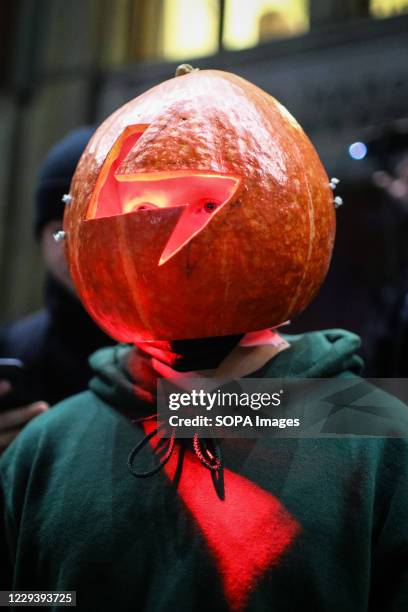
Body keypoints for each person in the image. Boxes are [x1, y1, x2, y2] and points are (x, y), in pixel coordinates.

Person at [1, 67, 407, 612]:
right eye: (142, 210)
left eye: (208, 205)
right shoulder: (44, 449)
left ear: (299, 206)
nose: (170, 238)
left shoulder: (383, 437)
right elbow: (20, 596)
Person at [0, 127, 114, 452]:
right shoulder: (13, 349)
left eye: (96, 227)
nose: (76, 248)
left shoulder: (195, 348)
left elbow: (258, 425)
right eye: (59, 231)